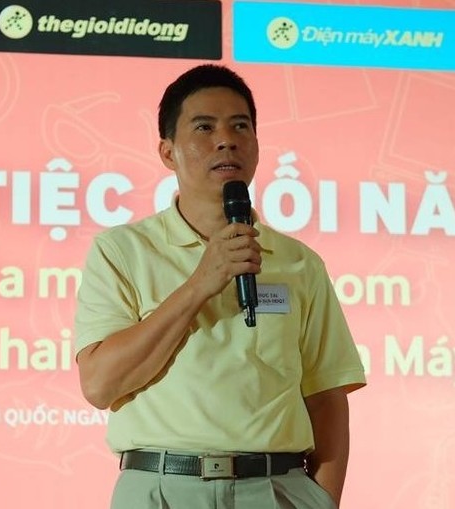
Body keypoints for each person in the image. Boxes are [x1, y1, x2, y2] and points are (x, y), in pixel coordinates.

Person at [74, 64, 366, 509]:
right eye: (204, 127)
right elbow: (99, 385)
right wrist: (200, 284)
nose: (226, 139)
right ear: (168, 152)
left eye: (240, 126)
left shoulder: (299, 263)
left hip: (275, 489)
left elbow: (326, 397)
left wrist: (321, 500)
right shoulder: (122, 251)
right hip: (162, 488)